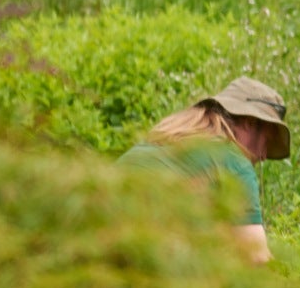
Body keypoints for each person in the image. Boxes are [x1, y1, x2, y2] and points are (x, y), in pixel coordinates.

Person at [118, 77, 291, 263]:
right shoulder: (234, 161)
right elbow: (257, 260)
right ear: (249, 122)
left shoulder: (164, 139)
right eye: (267, 142)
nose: (264, 156)